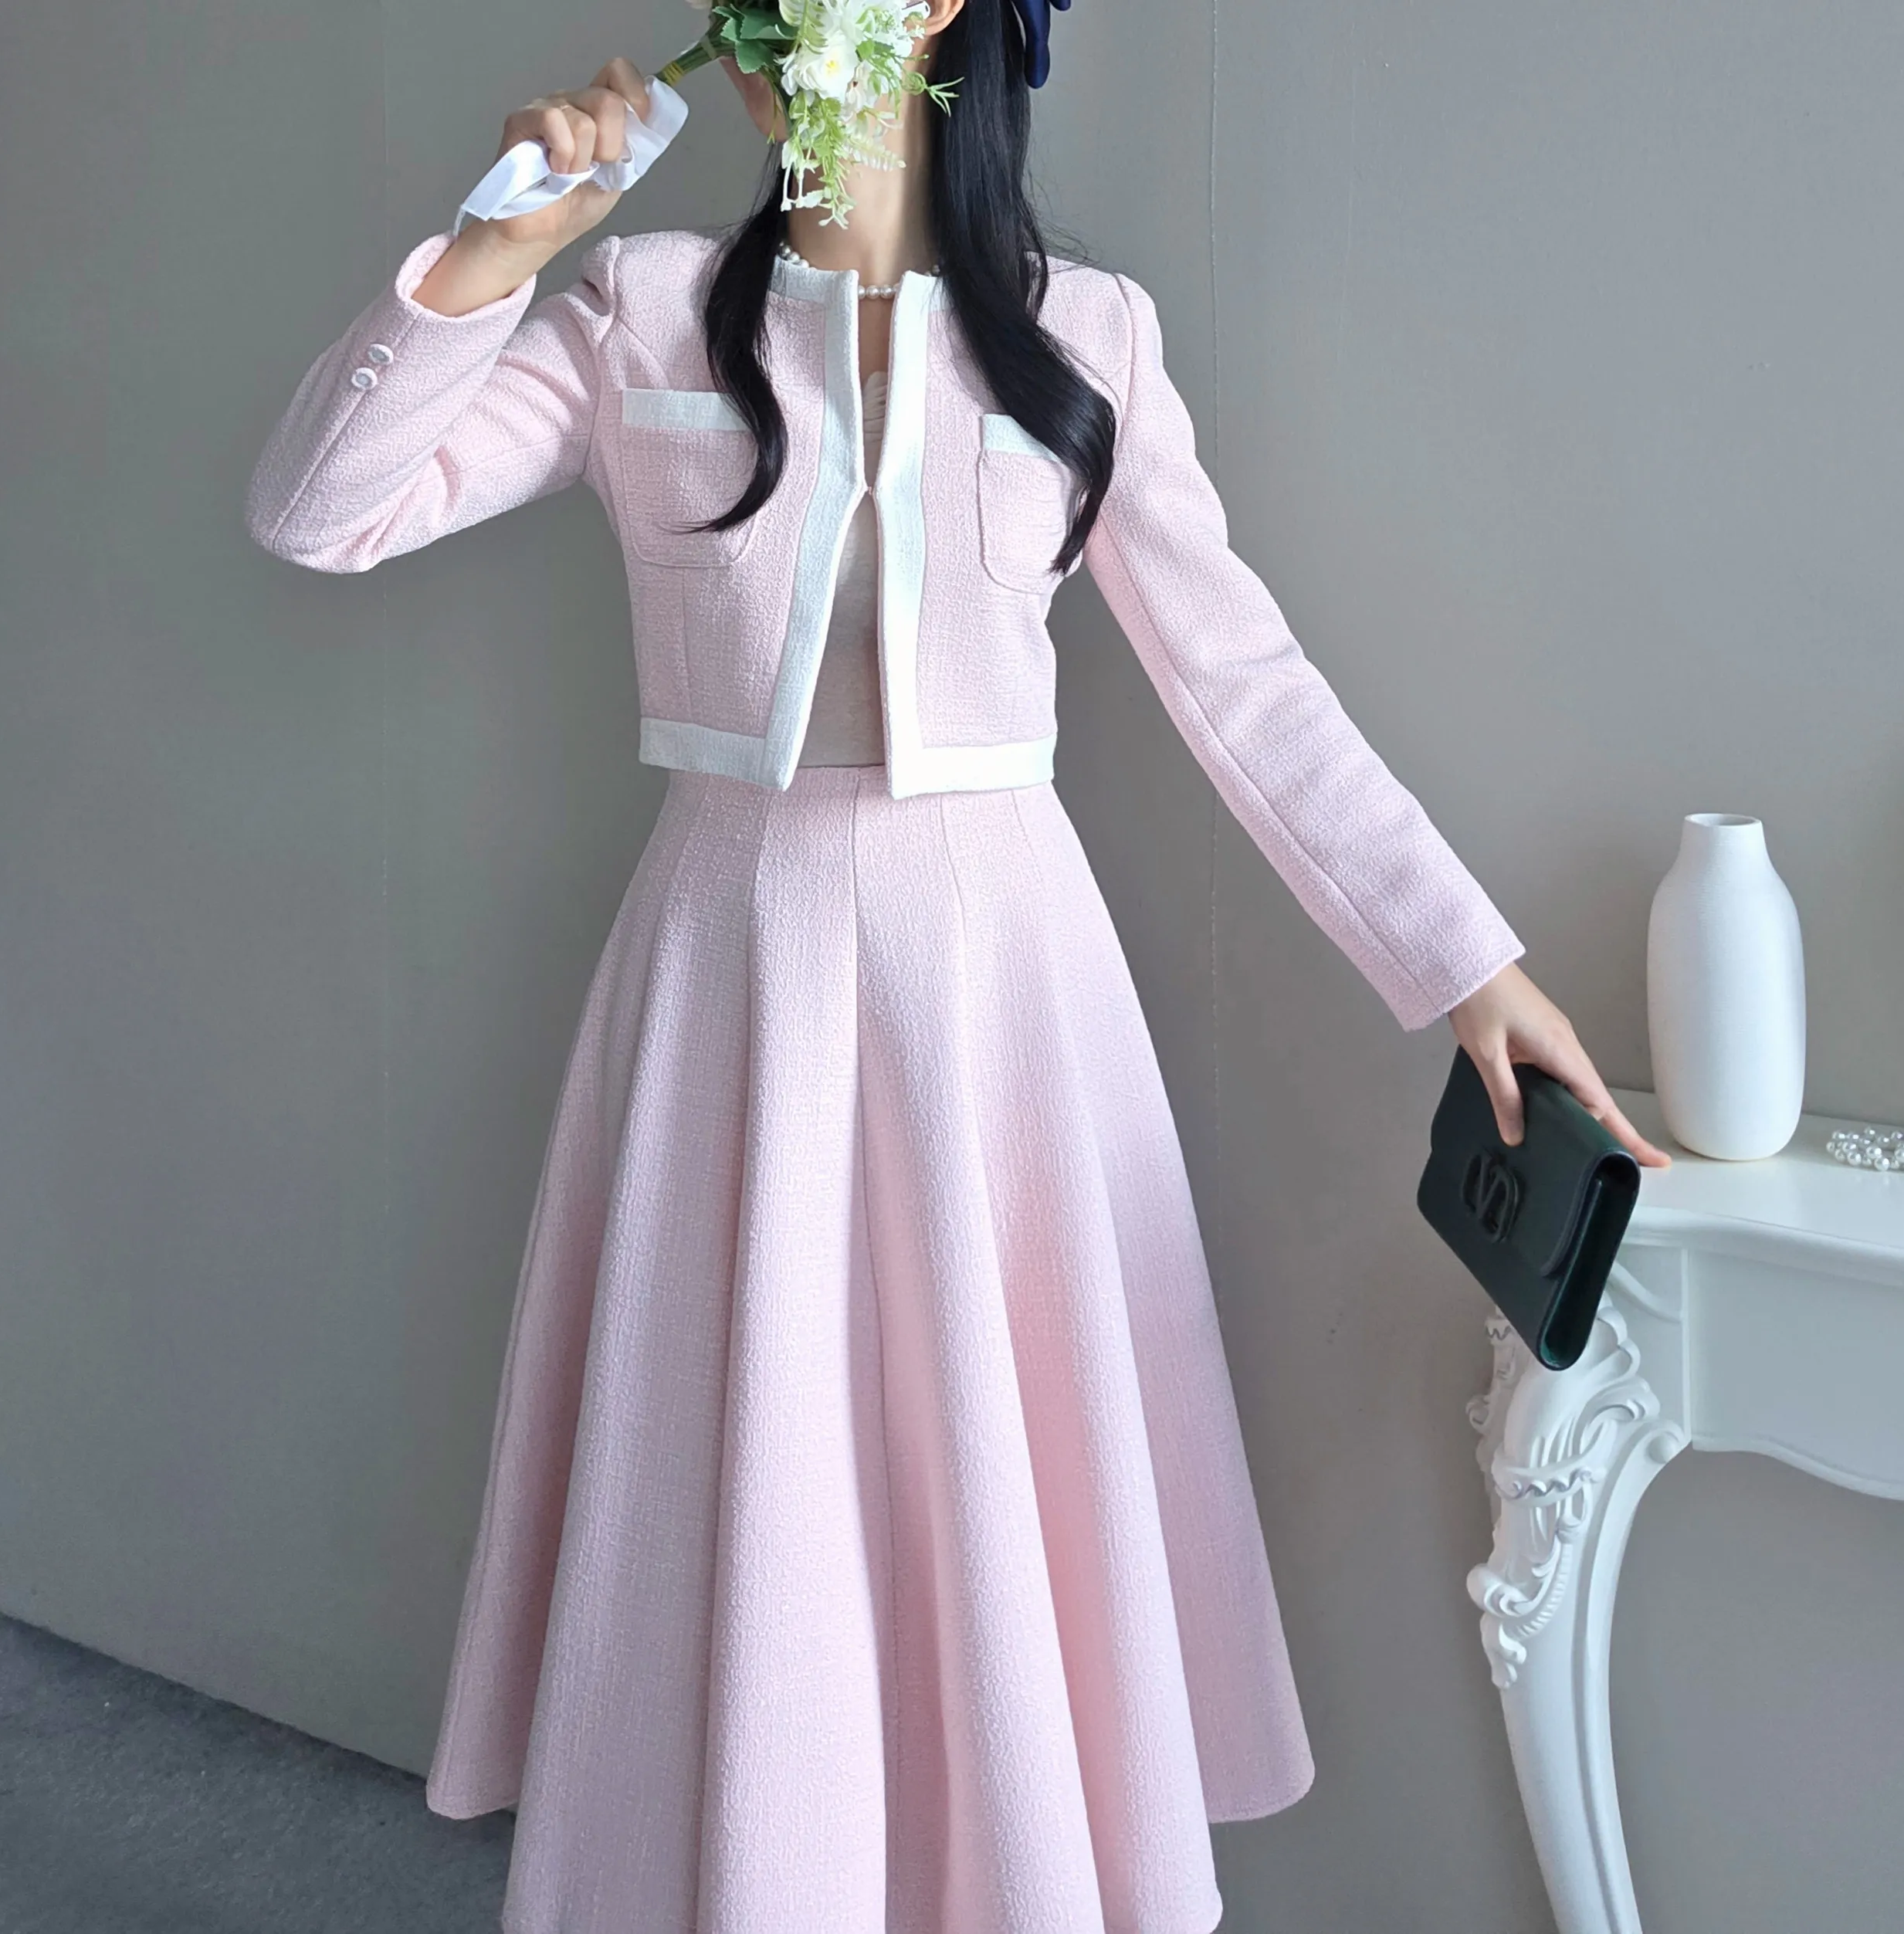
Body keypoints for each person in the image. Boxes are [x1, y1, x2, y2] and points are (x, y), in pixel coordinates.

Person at [244, 2, 1669, 1928]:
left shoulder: (1089, 339)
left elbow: (1247, 688)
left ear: (937, 15)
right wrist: (498, 250)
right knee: (745, 1471)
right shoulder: (639, 312)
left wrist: (1464, 963)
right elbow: (318, 516)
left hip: (999, 994)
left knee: (992, 1482)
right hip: (727, 975)